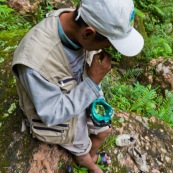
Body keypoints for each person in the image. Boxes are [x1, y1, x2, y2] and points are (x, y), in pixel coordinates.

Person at [12, 0, 144, 172]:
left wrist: (93, 87)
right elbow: (51, 115)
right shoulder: (35, 62)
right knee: (82, 148)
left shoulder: (78, 21)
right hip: (59, 118)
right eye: (108, 45)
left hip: (78, 97)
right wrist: (92, 82)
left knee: (104, 131)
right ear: (88, 33)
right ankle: (89, 164)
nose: (109, 51)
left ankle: (93, 154)